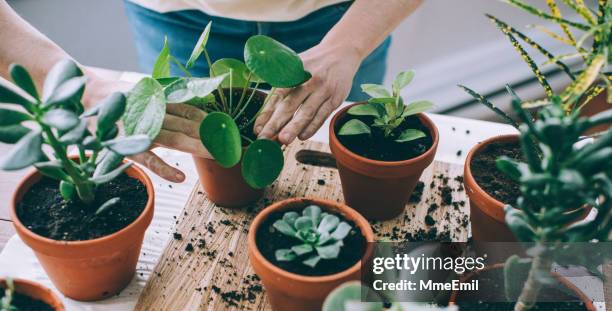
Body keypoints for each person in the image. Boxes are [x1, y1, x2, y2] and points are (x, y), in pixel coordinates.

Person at [0, 0, 422, 182]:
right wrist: (84, 87)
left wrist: (349, 44)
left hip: (345, 18)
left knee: (354, 158)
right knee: (198, 147)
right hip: (176, 20)